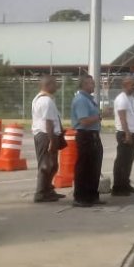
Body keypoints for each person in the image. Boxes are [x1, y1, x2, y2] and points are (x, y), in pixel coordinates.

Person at [70, 74, 103, 207]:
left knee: (94, 167)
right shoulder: (81, 100)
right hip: (86, 136)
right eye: (91, 83)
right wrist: (100, 116)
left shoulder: (89, 99)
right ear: (83, 85)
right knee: (84, 167)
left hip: (93, 135)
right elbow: (84, 121)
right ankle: (80, 197)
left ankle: (92, 195)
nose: (94, 85)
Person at [31, 74, 65, 203]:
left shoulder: (44, 99)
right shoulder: (46, 101)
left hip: (48, 135)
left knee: (53, 165)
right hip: (46, 135)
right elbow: (48, 122)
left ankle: (48, 190)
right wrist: (52, 140)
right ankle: (40, 193)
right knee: (46, 165)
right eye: (55, 83)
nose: (57, 86)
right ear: (48, 85)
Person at [112, 76, 134, 196]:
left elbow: (133, 117)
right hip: (124, 133)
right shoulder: (122, 99)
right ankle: (118, 188)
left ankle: (126, 184)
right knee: (122, 161)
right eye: (132, 85)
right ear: (125, 86)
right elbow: (122, 118)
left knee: (129, 161)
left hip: (132, 132)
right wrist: (128, 134)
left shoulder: (131, 99)